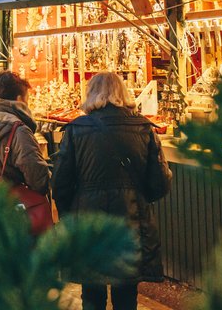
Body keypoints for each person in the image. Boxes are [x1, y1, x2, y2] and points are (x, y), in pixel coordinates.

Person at [52, 72, 172, 310]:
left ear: (91, 94)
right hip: (131, 217)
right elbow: (160, 181)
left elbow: (60, 183)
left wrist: (70, 213)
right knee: (126, 292)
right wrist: (138, 197)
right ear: (123, 93)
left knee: (92, 291)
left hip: (88, 220)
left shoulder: (76, 130)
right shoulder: (144, 128)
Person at [0, 70, 50, 198]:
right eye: (27, 98)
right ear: (20, 99)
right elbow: (36, 176)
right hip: (15, 203)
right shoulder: (19, 130)